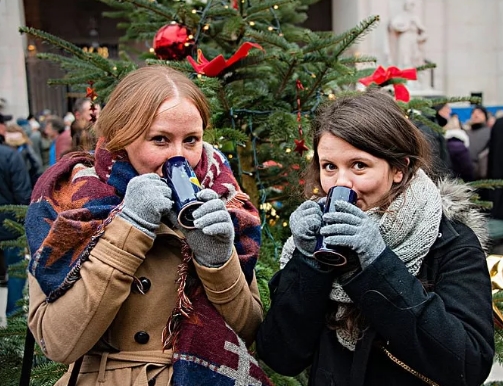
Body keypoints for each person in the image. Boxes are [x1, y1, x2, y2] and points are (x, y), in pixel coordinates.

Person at [26, 66, 270, 386]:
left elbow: (248, 331)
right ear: (121, 137)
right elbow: (58, 343)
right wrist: (129, 226)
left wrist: (217, 259)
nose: (179, 156)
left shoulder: (224, 200)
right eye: (160, 139)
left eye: (192, 140)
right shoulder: (72, 202)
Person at [256, 90, 494, 386]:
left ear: (398, 169)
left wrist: (376, 261)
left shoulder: (450, 242)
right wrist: (308, 260)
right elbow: (281, 356)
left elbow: (468, 364)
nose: (340, 183)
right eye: (329, 167)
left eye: (359, 165)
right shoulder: (318, 238)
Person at [0, 113, 32, 316]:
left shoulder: (10, 155)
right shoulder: (10, 155)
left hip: (8, 223)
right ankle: (13, 322)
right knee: (16, 272)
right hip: (10, 224)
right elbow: (22, 194)